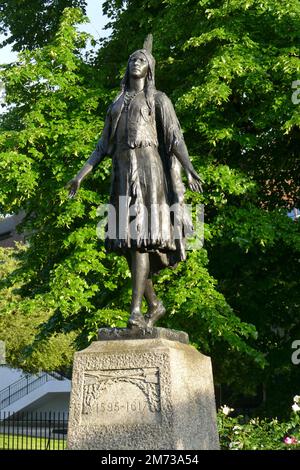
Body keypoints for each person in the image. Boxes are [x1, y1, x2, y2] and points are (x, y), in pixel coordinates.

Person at [67, 35, 203, 329]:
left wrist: (189, 168)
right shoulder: (117, 102)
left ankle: (136, 311)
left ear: (150, 68)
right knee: (130, 244)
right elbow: (102, 146)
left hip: (148, 172)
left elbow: (174, 138)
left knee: (140, 241)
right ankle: (155, 305)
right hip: (121, 173)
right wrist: (80, 175)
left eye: (141, 59)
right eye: (131, 59)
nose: (135, 62)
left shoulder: (158, 100)